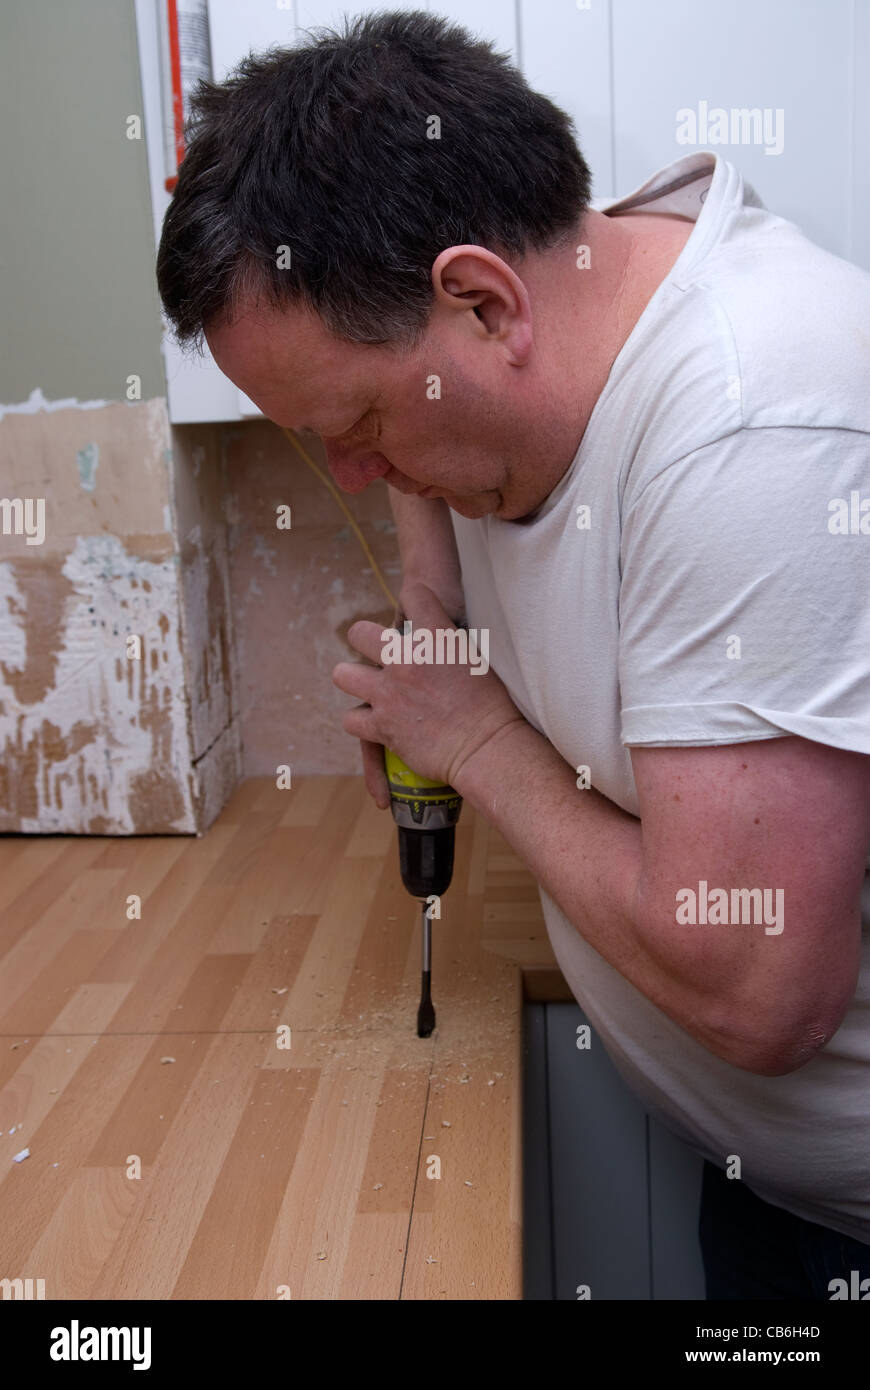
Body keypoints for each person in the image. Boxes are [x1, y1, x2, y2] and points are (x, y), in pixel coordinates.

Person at [156, 11, 870, 1299]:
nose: (357, 471)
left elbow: (761, 991)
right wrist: (437, 605)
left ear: (486, 300)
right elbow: (420, 448)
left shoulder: (750, 438)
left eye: (362, 424)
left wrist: (477, 736)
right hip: (773, 1183)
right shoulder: (570, 297)